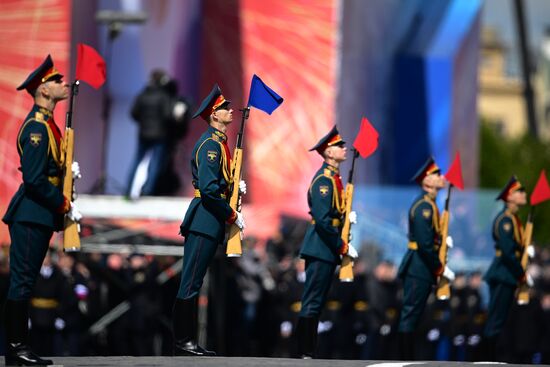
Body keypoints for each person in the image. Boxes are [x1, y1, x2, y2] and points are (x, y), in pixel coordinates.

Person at [2, 55, 81, 366]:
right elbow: (34, 180)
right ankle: (16, 348)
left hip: (40, 213)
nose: (63, 84)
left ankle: (19, 346)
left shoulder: (47, 124)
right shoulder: (36, 128)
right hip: (31, 212)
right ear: (43, 91)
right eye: (57, 80)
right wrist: (63, 204)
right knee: (22, 281)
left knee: (26, 280)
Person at [173, 84, 246, 356]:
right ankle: (183, 342)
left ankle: (186, 341)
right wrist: (231, 214)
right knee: (191, 281)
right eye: (225, 107)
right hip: (204, 219)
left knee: (195, 281)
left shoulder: (219, 144)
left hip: (209, 220)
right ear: (214, 115)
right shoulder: (211, 146)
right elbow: (209, 189)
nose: (230, 110)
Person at [294, 126, 359, 359]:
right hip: (321, 246)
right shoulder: (324, 180)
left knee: (318, 300)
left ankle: (308, 349)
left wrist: (345, 218)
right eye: (339, 146)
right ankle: (304, 350)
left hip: (326, 247)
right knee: (312, 300)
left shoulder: (334, 178)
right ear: (328, 153)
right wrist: (341, 245)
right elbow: (322, 220)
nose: (344, 149)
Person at [396, 157, 455, 360]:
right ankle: (403, 358)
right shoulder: (424, 207)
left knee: (416, 314)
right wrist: (439, 267)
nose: (442, 177)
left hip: (422, 266)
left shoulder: (430, 205)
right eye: (437, 174)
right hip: (418, 266)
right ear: (427, 180)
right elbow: (424, 243)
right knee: (411, 313)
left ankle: (408, 356)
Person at [483, 176, 534, 360]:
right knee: (495, 320)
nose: (524, 194)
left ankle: (492, 357)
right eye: (520, 191)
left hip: (507, 274)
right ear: (510, 196)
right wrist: (521, 274)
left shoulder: (514, 219)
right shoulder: (505, 220)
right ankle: (487, 359)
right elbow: (507, 252)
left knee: (500, 320)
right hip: (503, 273)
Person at [126, 69, 190, 199]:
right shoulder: (163, 96)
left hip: (143, 134)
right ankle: (148, 191)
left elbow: (133, 114)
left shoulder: (142, 95)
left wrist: (144, 122)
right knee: (155, 163)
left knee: (136, 161)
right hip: (160, 135)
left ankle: (128, 190)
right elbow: (168, 115)